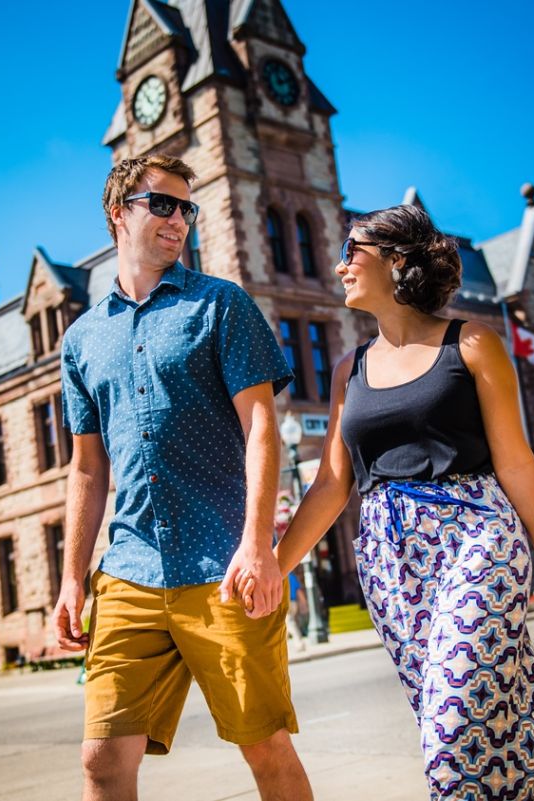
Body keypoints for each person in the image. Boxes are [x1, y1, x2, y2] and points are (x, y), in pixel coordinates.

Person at [246, 204, 534, 800]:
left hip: (476, 540)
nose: (339, 262)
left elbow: (517, 464)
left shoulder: (473, 344)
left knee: (453, 728)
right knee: (467, 722)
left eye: (353, 249)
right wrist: (274, 566)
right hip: (390, 562)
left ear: (398, 260)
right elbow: (332, 485)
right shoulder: (348, 369)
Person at [52, 154, 313, 801]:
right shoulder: (82, 340)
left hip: (223, 568)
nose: (179, 219)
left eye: (187, 207)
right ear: (119, 212)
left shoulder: (221, 306)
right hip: (129, 572)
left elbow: (261, 429)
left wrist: (259, 543)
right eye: (162, 203)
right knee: (101, 759)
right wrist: (69, 578)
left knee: (266, 747)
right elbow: (87, 466)